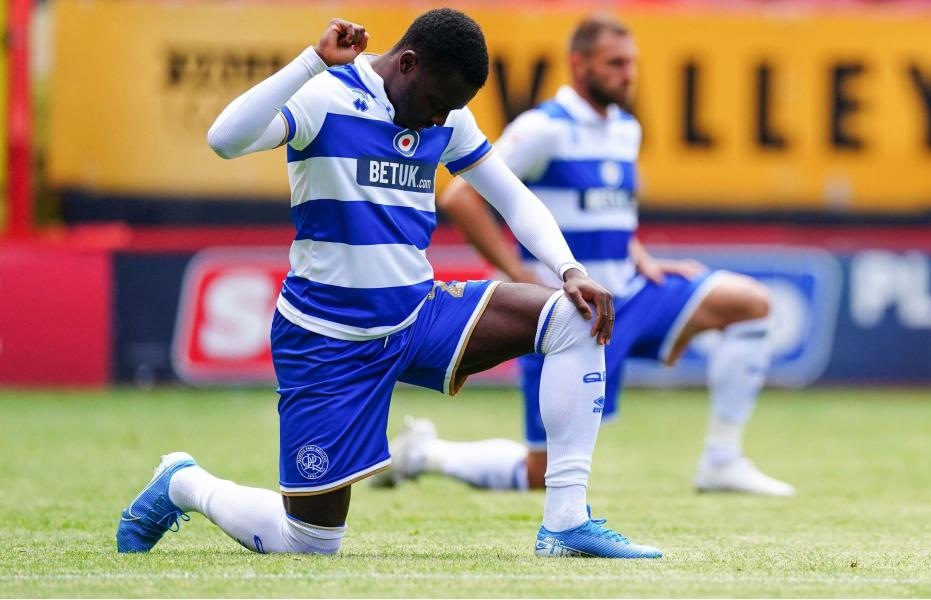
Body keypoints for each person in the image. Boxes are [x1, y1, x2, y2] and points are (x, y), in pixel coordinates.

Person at [115, 9, 664, 559]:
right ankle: (184, 483)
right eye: (436, 104)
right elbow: (224, 140)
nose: (439, 120)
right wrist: (311, 61)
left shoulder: (445, 115)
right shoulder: (324, 95)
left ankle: (566, 525)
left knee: (575, 314)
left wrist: (570, 270)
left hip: (417, 316)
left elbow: (513, 197)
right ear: (408, 64)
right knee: (308, 542)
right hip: (326, 339)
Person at [376, 15, 795, 497]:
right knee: (542, 475)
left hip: (631, 295)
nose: (628, 74)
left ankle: (722, 460)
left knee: (749, 303)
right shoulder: (543, 128)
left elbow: (608, 208)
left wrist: (643, 258)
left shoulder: (626, 129)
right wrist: (520, 277)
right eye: (615, 63)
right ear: (579, 65)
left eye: (632, 63)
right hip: (571, 308)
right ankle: (425, 454)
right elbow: (460, 198)